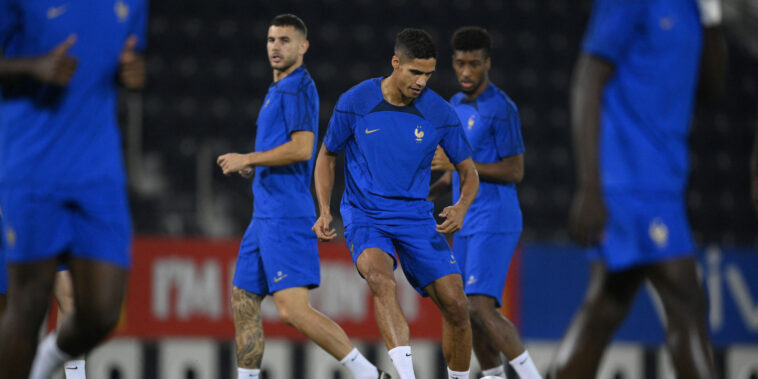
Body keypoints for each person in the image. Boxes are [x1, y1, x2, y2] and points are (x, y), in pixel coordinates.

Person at [547, 0, 727, 378]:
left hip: (665, 179)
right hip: (629, 179)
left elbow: (711, 88)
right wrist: (590, 186)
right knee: (686, 299)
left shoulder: (692, 10)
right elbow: (587, 78)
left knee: (606, 307)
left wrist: (712, 16)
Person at [216, 14, 389, 379]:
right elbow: (282, 151)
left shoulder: (297, 86)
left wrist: (248, 157)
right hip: (262, 214)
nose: (276, 47)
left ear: (303, 46)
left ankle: (369, 375)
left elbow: (302, 147)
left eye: (284, 40)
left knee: (293, 310)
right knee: (243, 300)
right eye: (271, 40)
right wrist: (256, 166)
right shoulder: (277, 89)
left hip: (285, 213)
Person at [312, 28, 480, 379]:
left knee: (457, 305)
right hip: (366, 215)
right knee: (380, 279)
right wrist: (325, 208)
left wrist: (462, 206)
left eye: (428, 74)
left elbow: (469, 171)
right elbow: (327, 155)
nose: (422, 82)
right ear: (395, 63)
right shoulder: (356, 102)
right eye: (415, 72)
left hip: (417, 218)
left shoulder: (440, 113)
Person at [0, 0, 147, 376]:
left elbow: (124, 57)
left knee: (102, 313)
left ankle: (48, 361)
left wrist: (132, 71)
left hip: (97, 167)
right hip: (32, 161)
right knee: (27, 301)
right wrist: (32, 67)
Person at [428, 26, 541, 379]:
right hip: (465, 220)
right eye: (460, 64)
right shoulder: (453, 106)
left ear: (487, 64)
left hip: (496, 216)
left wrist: (461, 165)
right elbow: (454, 175)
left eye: (474, 64)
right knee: (462, 310)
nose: (465, 72)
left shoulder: (501, 108)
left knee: (479, 305)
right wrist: (425, 195)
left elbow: (515, 169)